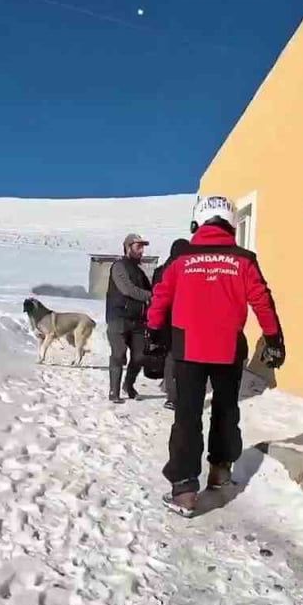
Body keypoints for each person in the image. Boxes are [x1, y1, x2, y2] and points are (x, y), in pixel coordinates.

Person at [145, 196, 286, 514]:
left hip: (188, 349)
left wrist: (153, 333)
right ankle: (221, 474)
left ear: (198, 222)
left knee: (187, 416)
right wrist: (274, 338)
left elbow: (161, 297)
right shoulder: (244, 258)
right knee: (225, 410)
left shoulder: (181, 259)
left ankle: (184, 490)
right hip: (228, 349)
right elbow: (262, 301)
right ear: (231, 223)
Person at [106, 232, 153, 403]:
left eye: (143, 247)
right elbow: (127, 289)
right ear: (128, 247)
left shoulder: (139, 271)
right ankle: (114, 391)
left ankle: (129, 384)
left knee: (140, 356)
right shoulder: (119, 266)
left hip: (138, 320)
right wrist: (151, 295)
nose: (141, 251)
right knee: (118, 353)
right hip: (118, 317)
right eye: (138, 247)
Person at [151, 238, 189, 411]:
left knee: (170, 356)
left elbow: (155, 297)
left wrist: (153, 324)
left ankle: (170, 390)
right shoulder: (186, 271)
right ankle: (174, 396)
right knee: (177, 357)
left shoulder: (160, 270)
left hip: (163, 319)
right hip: (181, 319)